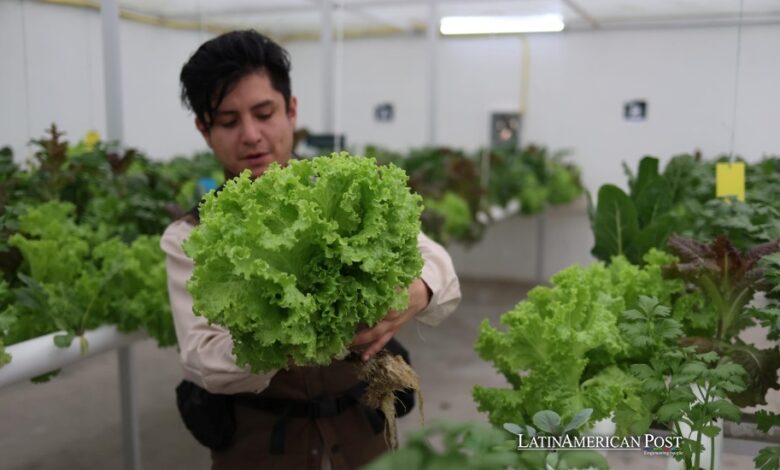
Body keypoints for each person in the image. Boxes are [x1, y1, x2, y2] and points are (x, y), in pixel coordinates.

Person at [161, 29, 461, 470]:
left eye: (264, 113)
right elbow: (202, 358)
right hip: (261, 448)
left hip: (362, 439)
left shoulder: (341, 196)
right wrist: (285, 336)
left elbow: (440, 268)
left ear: (292, 110)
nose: (251, 135)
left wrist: (416, 292)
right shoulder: (191, 235)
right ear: (204, 131)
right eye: (228, 122)